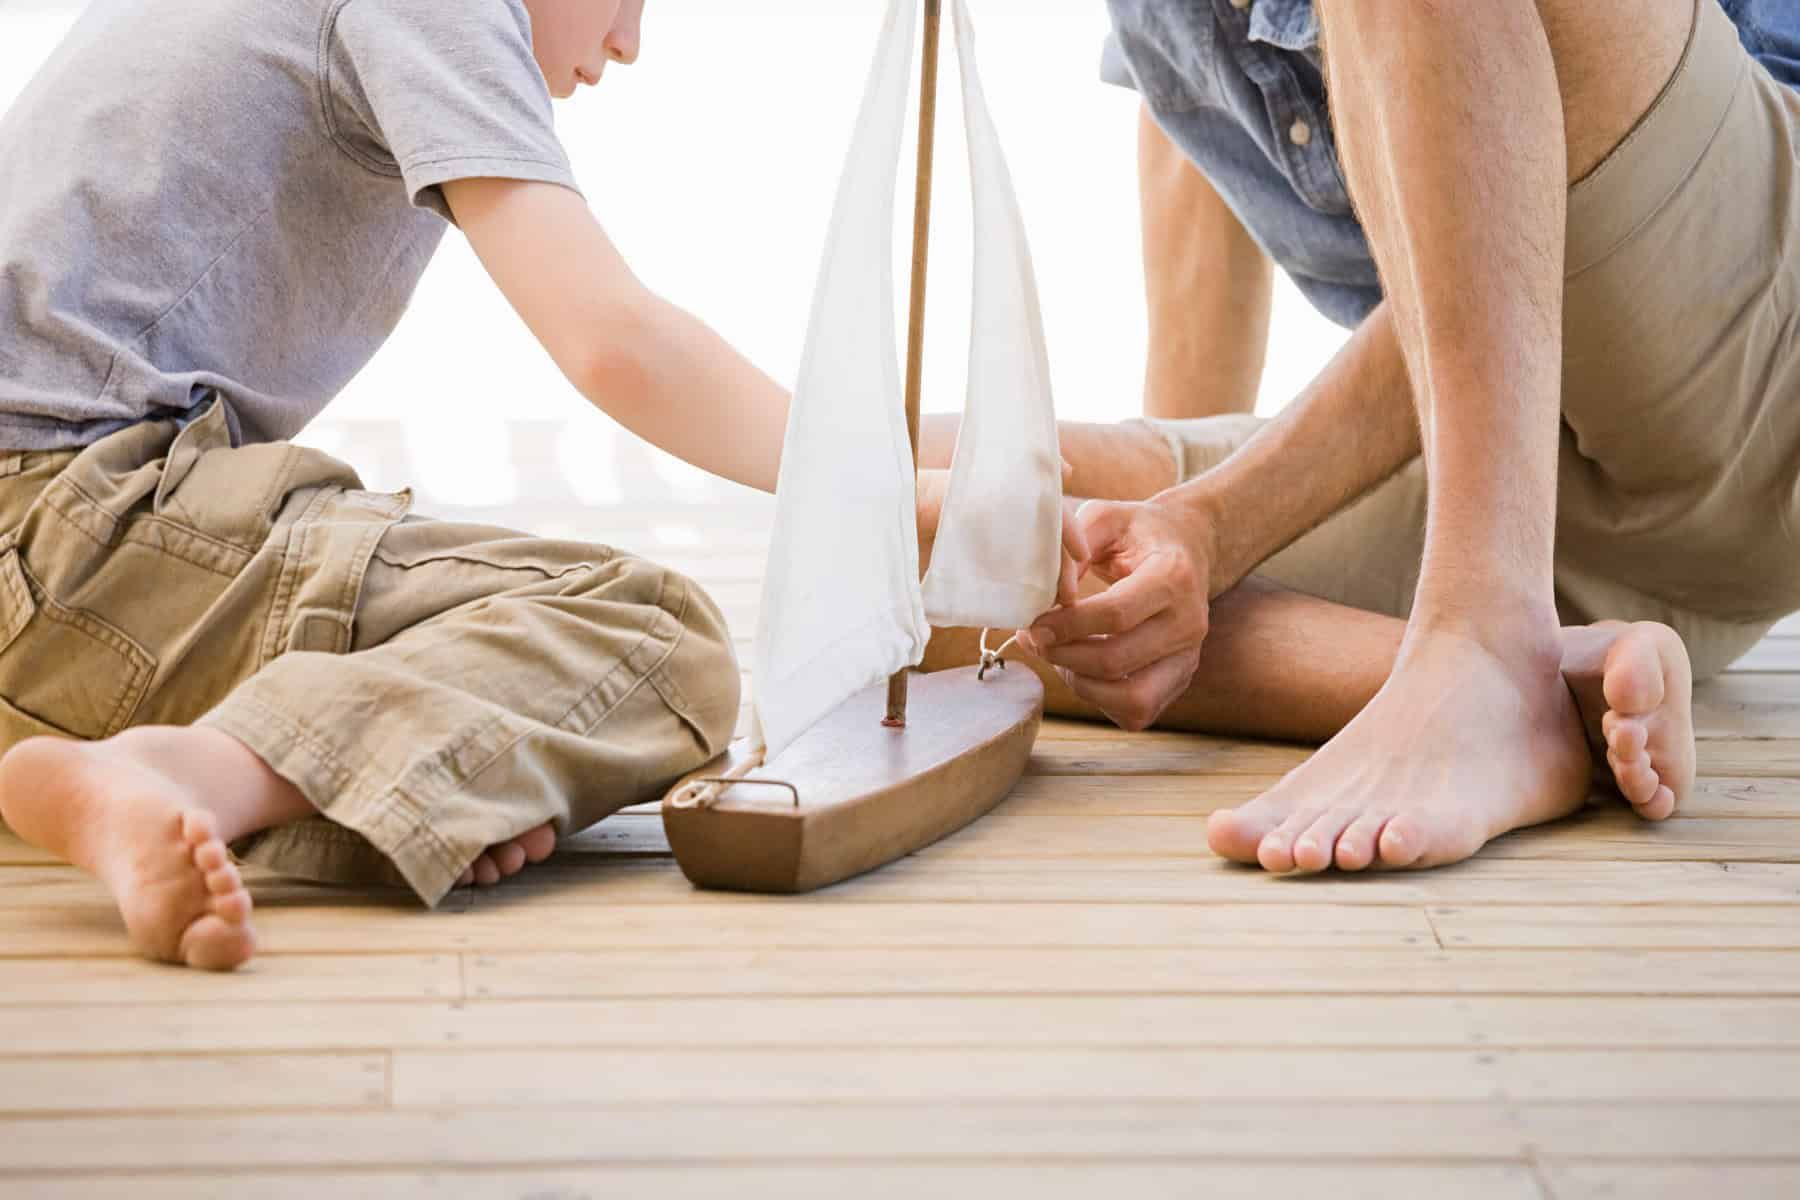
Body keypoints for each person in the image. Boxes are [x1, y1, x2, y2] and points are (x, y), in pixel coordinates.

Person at [0, 0, 795, 970]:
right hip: (62, 538)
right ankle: (183, 772)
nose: (630, 42)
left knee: (466, 691)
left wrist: (946, 453)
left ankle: (321, 781)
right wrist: (873, 493)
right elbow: (615, 344)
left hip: (45, 592)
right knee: (651, 634)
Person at [925, 0, 1800, 875]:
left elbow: (1529, 217)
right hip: (1545, 495)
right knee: (937, 545)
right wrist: (1172, 566)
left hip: (1752, 349)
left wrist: (1223, 520)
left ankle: (1486, 644)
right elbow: (1218, 204)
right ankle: (1547, 684)